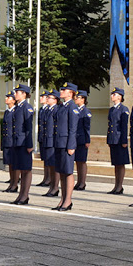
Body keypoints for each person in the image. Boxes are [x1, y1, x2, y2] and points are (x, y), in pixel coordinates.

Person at [52, 82, 79, 211]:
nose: (61, 91)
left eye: (64, 89)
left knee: (68, 172)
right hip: (59, 143)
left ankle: (68, 200)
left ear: (71, 93)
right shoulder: (61, 106)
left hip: (67, 143)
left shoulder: (72, 107)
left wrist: (71, 145)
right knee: (62, 172)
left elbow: (73, 128)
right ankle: (62, 200)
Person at [10, 84, 34, 205]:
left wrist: (30, 145)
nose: (15, 94)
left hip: (24, 143)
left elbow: (28, 128)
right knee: (20, 168)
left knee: (26, 170)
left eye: (18, 92)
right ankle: (21, 195)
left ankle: (25, 195)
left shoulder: (27, 107)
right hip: (17, 142)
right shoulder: (17, 107)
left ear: (24, 94)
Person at [107, 87, 130, 195]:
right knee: (116, 163)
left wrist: (124, 140)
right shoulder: (112, 109)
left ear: (120, 97)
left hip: (120, 139)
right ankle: (116, 186)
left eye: (114, 94)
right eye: (112, 94)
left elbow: (124, 126)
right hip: (113, 139)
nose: (112, 96)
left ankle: (119, 186)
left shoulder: (123, 109)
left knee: (120, 164)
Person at [42, 90, 60, 197]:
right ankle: (51, 187)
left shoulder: (56, 110)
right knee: (50, 165)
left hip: (53, 141)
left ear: (55, 100)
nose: (47, 99)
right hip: (47, 140)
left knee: (54, 165)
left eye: (50, 98)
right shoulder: (48, 110)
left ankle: (55, 188)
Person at [74, 90, 92, 191]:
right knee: (77, 161)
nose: (76, 99)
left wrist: (87, 140)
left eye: (78, 97)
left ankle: (82, 182)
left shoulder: (86, 111)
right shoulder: (76, 110)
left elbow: (87, 127)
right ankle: (78, 181)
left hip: (82, 139)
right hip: (75, 139)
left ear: (83, 99)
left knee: (82, 161)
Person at [1, 91, 16, 192]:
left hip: (13, 141)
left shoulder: (16, 111)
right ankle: (11, 182)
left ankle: (15, 184)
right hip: (7, 140)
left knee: (14, 163)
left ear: (14, 100)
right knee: (9, 163)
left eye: (9, 97)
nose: (6, 99)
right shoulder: (7, 111)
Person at [36, 91, 50, 187]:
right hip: (42, 136)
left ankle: (49, 179)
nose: (41, 98)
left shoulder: (49, 109)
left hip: (48, 137)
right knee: (44, 159)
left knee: (49, 160)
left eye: (43, 97)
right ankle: (45, 178)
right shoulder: (41, 109)